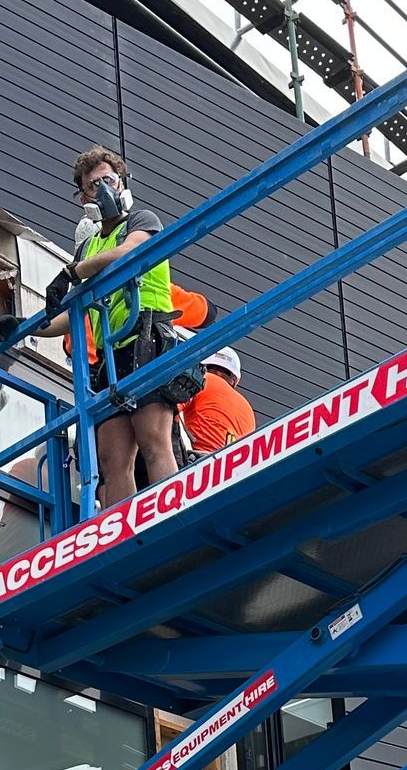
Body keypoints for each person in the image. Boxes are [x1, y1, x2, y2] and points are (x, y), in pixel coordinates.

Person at [44, 146, 199, 505]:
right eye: (93, 184)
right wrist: (29, 327)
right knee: (114, 458)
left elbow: (131, 251)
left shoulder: (141, 220)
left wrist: (72, 272)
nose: (103, 189)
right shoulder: (89, 249)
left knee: (153, 439)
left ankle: (168, 514)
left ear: (123, 182)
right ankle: (122, 529)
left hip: (145, 335)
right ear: (83, 197)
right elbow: (76, 314)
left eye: (109, 180)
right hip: (109, 357)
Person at [179, 346, 255, 455]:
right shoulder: (248, 409)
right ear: (234, 380)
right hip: (231, 467)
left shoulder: (201, 380)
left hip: (200, 460)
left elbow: (170, 408)